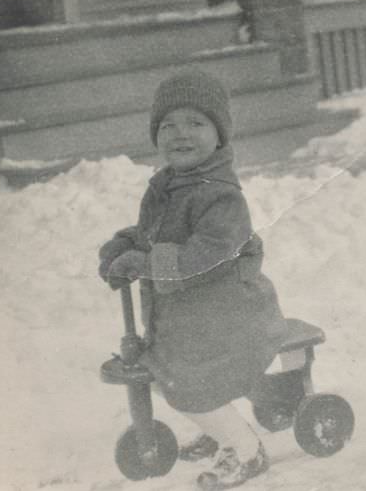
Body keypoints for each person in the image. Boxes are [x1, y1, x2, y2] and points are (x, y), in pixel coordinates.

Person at [98, 70, 287, 489]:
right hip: (193, 320)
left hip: (233, 318)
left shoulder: (221, 195)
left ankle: (245, 450)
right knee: (170, 371)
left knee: (186, 383)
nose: (180, 134)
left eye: (196, 123)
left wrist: (144, 264)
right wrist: (123, 245)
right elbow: (155, 235)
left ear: (220, 136)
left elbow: (206, 256)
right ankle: (219, 428)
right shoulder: (169, 186)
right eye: (168, 125)